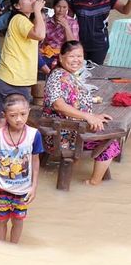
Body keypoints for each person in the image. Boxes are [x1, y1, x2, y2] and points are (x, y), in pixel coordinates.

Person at [43, 40, 120, 185]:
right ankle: (93, 183)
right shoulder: (57, 76)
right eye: (72, 56)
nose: (76, 60)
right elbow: (58, 105)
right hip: (63, 135)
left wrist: (94, 116)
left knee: (107, 129)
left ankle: (91, 178)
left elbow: (75, 104)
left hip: (73, 129)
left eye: (80, 56)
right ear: (61, 57)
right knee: (110, 143)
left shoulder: (68, 75)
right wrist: (87, 116)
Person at [0, 94, 43, 244]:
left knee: (18, 221)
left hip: (23, 189)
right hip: (2, 187)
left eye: (23, 114)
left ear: (29, 112)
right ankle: (0, 248)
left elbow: (35, 160)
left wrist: (34, 186)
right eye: (13, 115)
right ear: (4, 115)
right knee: (1, 219)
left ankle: (13, 248)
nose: (18, 119)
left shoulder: (34, 135)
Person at [0, 0, 46, 130]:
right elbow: (40, 34)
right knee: (18, 122)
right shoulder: (19, 19)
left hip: (8, 78)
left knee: (3, 119)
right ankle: (10, 150)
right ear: (17, 6)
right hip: (13, 80)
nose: (33, 0)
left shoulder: (22, 21)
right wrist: (38, 11)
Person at [71, 0, 131, 65]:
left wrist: (130, 0)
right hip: (79, 43)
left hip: (100, 44)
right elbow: (69, 20)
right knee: (78, 71)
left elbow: (125, 11)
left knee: (95, 72)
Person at [38, 0, 79, 73]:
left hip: (63, 55)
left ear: (68, 8)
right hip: (47, 54)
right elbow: (41, 40)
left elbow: (73, 45)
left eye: (64, 7)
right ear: (53, 7)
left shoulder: (72, 23)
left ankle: (51, 74)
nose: (61, 10)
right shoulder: (47, 21)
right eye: (58, 7)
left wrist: (66, 27)